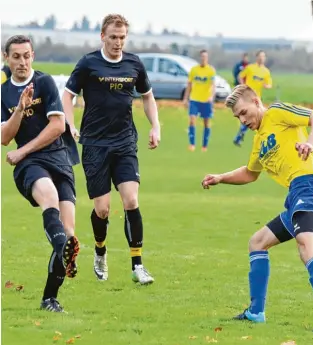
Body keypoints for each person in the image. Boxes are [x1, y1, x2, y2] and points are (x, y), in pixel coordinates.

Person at [201, 84, 313, 333]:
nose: (242, 120)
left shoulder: (276, 113)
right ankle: (256, 312)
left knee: (307, 246)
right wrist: (220, 177)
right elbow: (250, 173)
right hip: (296, 195)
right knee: (257, 242)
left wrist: (310, 144)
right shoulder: (260, 140)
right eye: (238, 117)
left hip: (312, 184)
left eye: (244, 112)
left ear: (257, 101)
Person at [62, 14, 160, 284]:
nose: (118, 42)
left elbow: (148, 97)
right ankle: (100, 251)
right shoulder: (88, 63)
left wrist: (156, 126)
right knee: (103, 209)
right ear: (102, 37)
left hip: (125, 141)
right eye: (113, 37)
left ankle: (138, 265)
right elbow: (68, 95)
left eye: (122, 38)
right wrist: (70, 124)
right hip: (94, 143)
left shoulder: (134, 64)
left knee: (131, 200)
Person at [1, 35, 80, 312]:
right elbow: (5, 137)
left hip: (58, 158)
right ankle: (63, 253)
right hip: (30, 165)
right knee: (48, 195)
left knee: (69, 233)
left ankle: (49, 298)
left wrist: (22, 151)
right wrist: (20, 110)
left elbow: (58, 126)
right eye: (16, 56)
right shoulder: (3, 92)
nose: (22, 61)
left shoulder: (44, 83)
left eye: (26, 55)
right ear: (6, 59)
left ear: (33, 55)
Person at [233, 50, 272, 146]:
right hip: (248, 97)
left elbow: (269, 84)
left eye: (263, 57)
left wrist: (266, 85)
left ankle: (240, 136)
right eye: (260, 56)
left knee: (257, 118)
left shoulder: (266, 71)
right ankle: (258, 139)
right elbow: (240, 76)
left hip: (257, 98)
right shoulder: (250, 68)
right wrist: (243, 86)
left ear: (265, 58)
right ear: (257, 57)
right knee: (255, 117)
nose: (261, 58)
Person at [183, 49, 216, 152]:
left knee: (206, 122)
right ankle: (192, 144)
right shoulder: (194, 70)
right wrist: (185, 98)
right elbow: (189, 84)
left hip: (206, 101)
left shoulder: (211, 70)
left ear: (207, 58)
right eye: (202, 57)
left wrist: (211, 97)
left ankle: (204, 146)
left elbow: (213, 85)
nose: (203, 59)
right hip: (194, 99)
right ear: (200, 58)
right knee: (192, 120)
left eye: (205, 57)